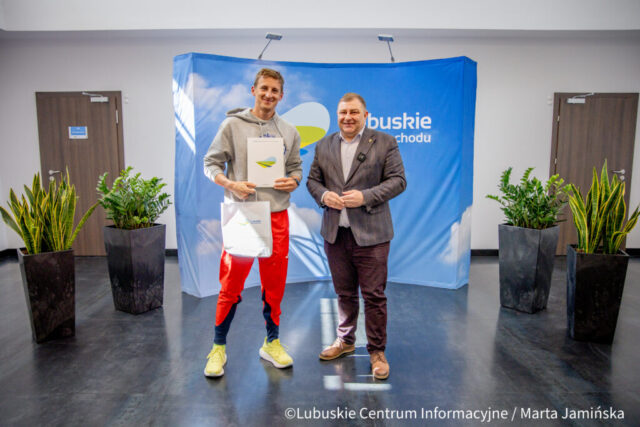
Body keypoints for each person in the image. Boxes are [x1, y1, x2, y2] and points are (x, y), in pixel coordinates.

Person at [202, 68, 302, 377]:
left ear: (281, 96)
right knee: (231, 283)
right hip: (243, 214)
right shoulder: (232, 125)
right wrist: (230, 185)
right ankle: (218, 348)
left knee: (275, 284)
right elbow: (211, 163)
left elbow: (296, 167)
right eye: (264, 88)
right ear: (253, 90)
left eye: (274, 90)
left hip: (276, 216)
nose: (269, 94)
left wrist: (294, 180)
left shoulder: (289, 131)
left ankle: (271, 342)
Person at [307, 93, 406, 380]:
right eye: (343, 112)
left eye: (353, 112)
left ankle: (377, 351)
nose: (347, 117)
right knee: (344, 293)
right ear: (337, 115)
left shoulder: (385, 142)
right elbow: (313, 181)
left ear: (365, 115)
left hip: (373, 235)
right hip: (335, 234)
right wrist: (324, 195)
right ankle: (346, 341)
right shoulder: (324, 145)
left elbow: (398, 181)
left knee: (374, 295)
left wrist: (365, 196)